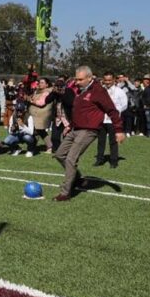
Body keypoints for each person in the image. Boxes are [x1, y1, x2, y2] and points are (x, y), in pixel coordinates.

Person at [53, 66, 125, 201]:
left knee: (70, 159)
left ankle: (65, 193)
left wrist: (119, 130)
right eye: (76, 79)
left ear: (89, 78)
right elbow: (79, 111)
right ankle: (78, 179)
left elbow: (112, 110)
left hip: (89, 130)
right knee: (59, 154)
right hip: (75, 129)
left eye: (80, 79)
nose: (77, 82)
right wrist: (70, 126)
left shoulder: (98, 91)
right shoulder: (81, 91)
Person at [94, 73, 128, 169]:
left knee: (113, 141)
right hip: (102, 119)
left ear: (113, 80)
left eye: (109, 80)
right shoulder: (100, 91)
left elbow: (124, 104)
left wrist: (116, 112)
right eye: (106, 80)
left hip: (113, 120)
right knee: (101, 141)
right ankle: (99, 159)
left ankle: (113, 161)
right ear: (103, 80)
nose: (107, 82)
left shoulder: (119, 91)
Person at [28, 78, 54, 153]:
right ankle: (33, 146)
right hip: (35, 115)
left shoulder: (47, 92)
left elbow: (41, 103)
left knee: (40, 131)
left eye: (42, 83)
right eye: (39, 82)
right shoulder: (37, 91)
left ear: (47, 84)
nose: (40, 84)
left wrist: (31, 100)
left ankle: (49, 146)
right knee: (36, 131)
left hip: (41, 115)